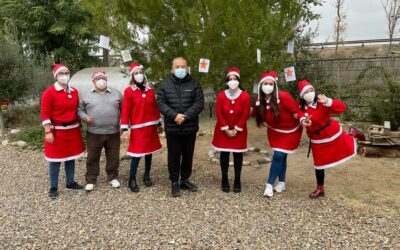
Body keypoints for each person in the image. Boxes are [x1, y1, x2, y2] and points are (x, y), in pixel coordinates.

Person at [297, 80, 357, 198]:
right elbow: (300, 115)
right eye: (306, 92)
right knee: (318, 164)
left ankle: (353, 135)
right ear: (302, 96)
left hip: (331, 132)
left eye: (311, 90)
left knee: (348, 147)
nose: (309, 93)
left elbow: (342, 107)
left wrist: (329, 102)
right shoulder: (301, 107)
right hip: (317, 139)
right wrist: (303, 121)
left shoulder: (321, 102)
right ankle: (320, 188)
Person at [157, 57, 204, 197]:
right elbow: (160, 103)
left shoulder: (195, 84)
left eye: (183, 66)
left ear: (187, 67)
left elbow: (199, 103)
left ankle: (184, 179)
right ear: (172, 68)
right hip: (173, 128)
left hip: (189, 127)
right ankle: (174, 182)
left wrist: (185, 116)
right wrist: (174, 115)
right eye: (177, 67)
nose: (180, 69)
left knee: (188, 155)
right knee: (173, 156)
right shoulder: (165, 85)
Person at [254, 71, 302, 198]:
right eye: (265, 83)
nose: (268, 86)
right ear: (261, 85)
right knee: (282, 157)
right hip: (275, 132)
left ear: (274, 85)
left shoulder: (284, 96)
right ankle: (282, 182)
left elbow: (295, 112)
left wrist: (303, 119)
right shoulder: (260, 101)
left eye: (271, 83)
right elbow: (254, 114)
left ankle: (269, 185)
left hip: (290, 131)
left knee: (278, 155)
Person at [41, 64, 85, 199]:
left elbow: (77, 110)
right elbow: (45, 113)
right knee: (54, 160)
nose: (65, 75)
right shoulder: (49, 93)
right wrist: (48, 131)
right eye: (62, 73)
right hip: (57, 131)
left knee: (70, 157)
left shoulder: (74, 91)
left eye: (67, 72)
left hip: (72, 130)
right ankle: (53, 186)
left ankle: (70, 182)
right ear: (56, 76)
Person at [121, 63, 163, 192]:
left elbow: (154, 107)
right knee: (137, 153)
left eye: (140, 72)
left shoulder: (150, 89)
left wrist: (159, 123)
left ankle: (146, 175)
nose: (139, 75)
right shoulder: (129, 91)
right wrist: (124, 127)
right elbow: (125, 109)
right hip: (138, 127)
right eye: (136, 73)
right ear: (132, 76)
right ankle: (132, 179)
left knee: (149, 152)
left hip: (151, 126)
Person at [78, 71, 122, 192]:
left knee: (113, 156)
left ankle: (112, 176)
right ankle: (91, 179)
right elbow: (80, 110)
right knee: (92, 157)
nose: (101, 81)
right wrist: (85, 117)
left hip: (113, 132)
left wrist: (123, 124)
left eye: (103, 78)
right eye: (98, 79)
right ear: (93, 81)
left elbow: (124, 109)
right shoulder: (86, 94)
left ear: (107, 80)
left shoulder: (116, 93)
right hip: (94, 132)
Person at [211, 67, 251, 193]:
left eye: (234, 79)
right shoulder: (221, 95)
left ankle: (237, 180)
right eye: (230, 79)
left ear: (239, 81)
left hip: (239, 131)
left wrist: (237, 129)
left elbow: (245, 114)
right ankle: (224, 179)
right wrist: (226, 129)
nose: (232, 81)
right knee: (224, 154)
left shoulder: (245, 96)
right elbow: (219, 112)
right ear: (227, 81)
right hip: (223, 131)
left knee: (238, 155)